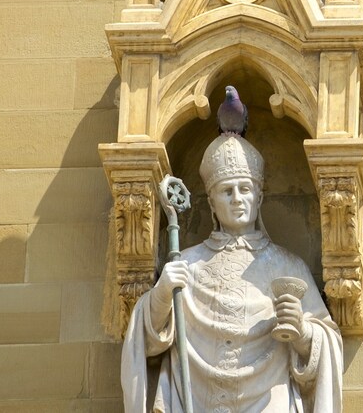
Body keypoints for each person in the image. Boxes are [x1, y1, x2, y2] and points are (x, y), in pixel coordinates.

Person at [121, 134, 343, 412]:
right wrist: (162, 293)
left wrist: (303, 331)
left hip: (269, 401)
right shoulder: (188, 264)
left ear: (259, 197)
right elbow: (148, 344)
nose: (238, 199)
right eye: (227, 191)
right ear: (212, 203)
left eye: (245, 189)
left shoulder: (288, 266)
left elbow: (328, 340)